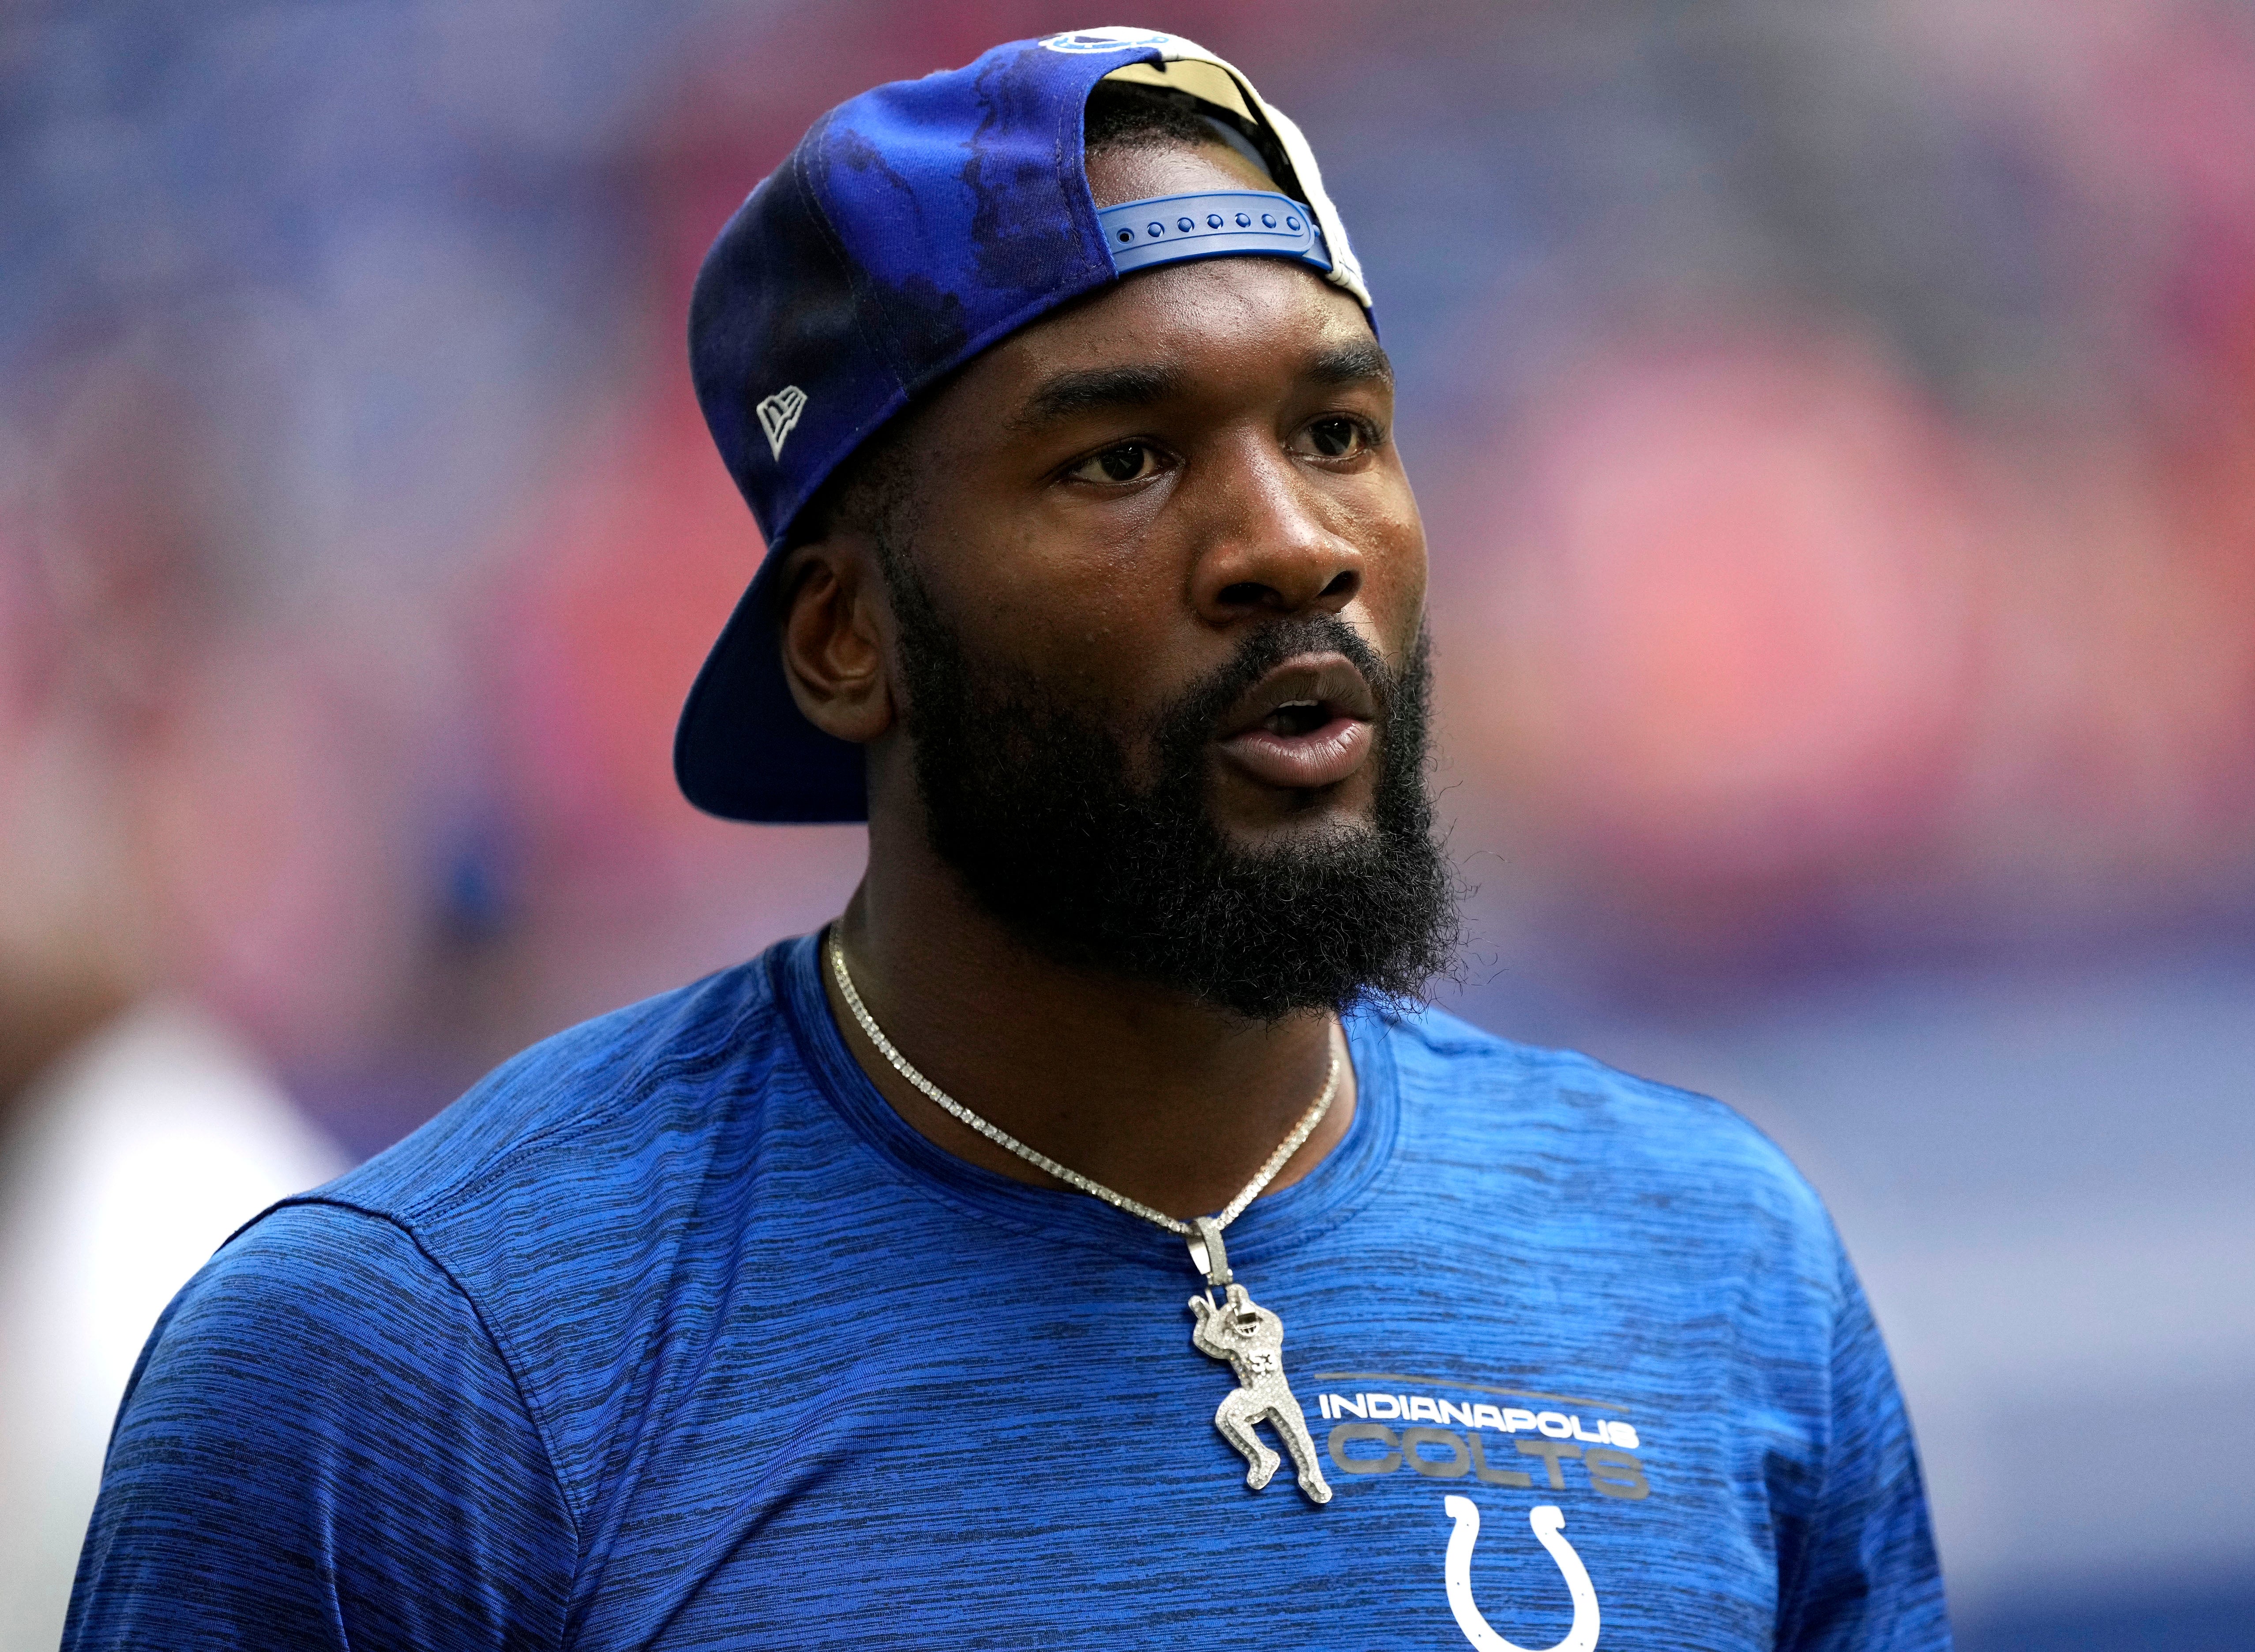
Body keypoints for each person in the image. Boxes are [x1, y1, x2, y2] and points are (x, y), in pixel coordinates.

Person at [66, 28, 1950, 1650]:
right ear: (844, 640)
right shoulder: (421, 1367)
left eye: (1341, 425)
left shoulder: (1712, 1265)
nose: (1294, 541)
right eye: (1121, 457)